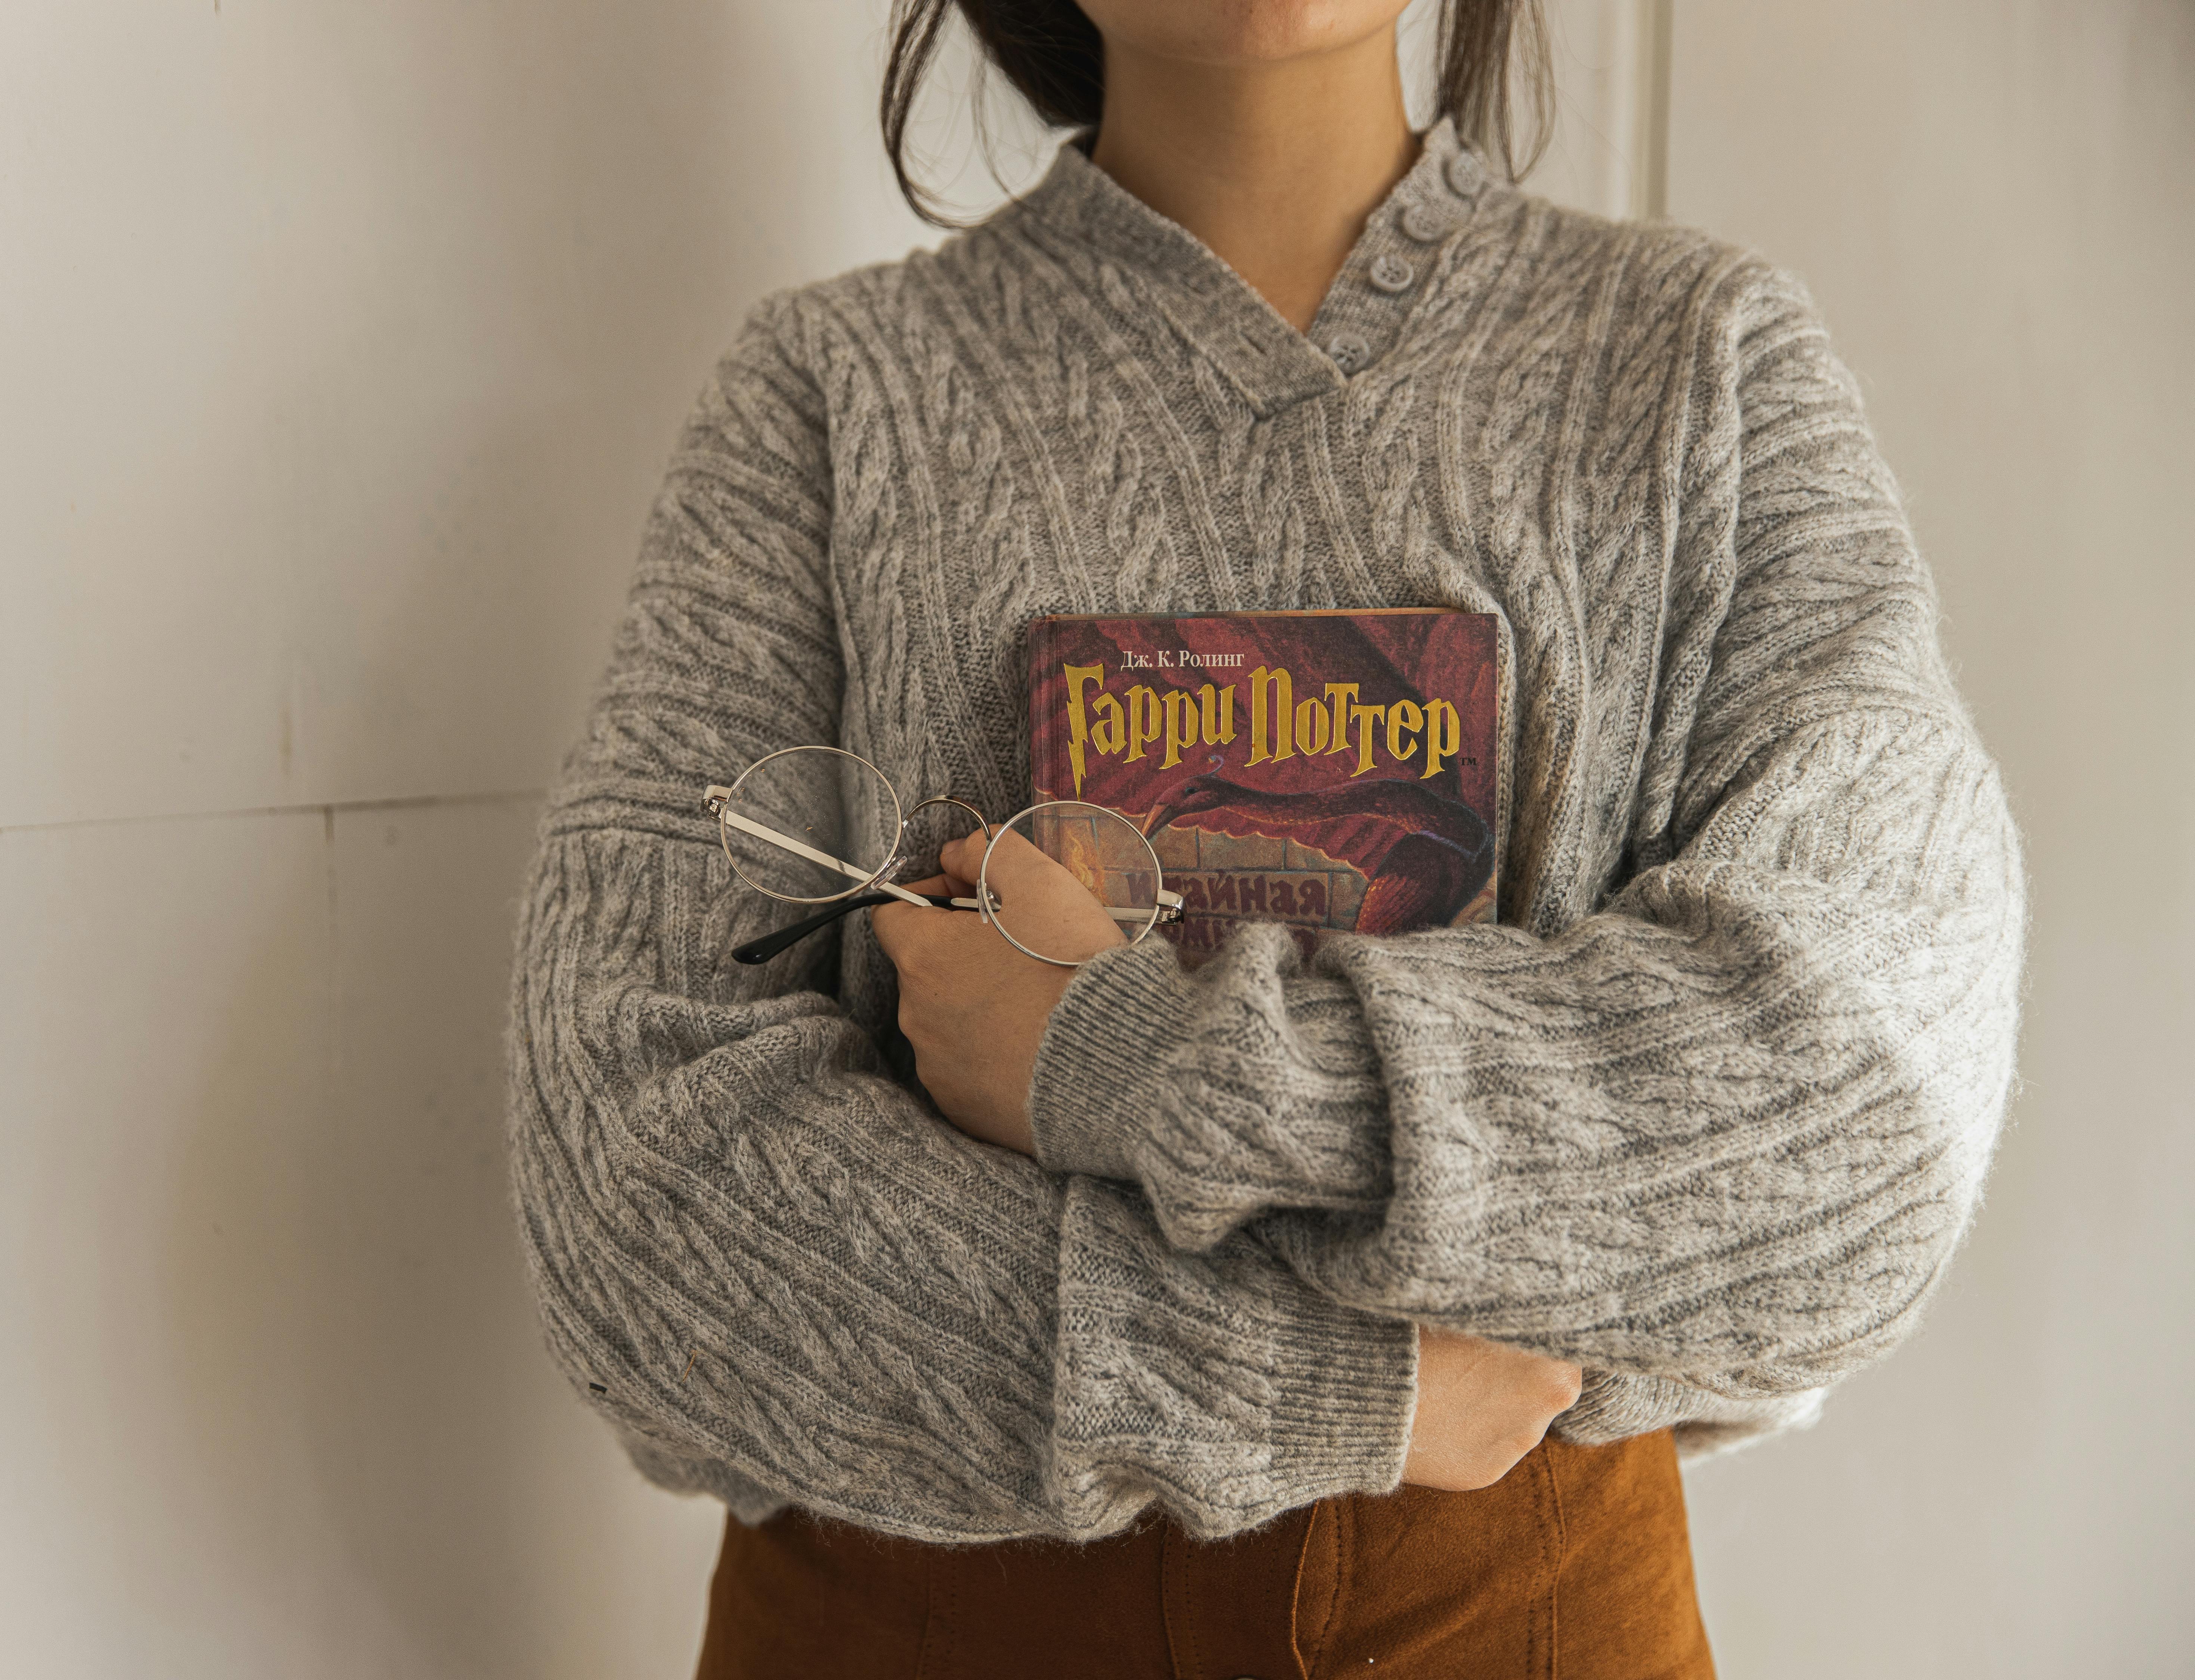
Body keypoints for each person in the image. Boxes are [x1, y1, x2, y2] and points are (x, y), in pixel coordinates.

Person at [506, 0, 2026, 1672]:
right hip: (916, 1607)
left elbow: (1864, 1104)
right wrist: (1335, 1385)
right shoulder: (828, 392)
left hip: (1512, 1607)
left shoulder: (1702, 361)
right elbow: (631, 1170)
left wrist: (1133, 1057)